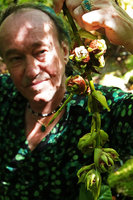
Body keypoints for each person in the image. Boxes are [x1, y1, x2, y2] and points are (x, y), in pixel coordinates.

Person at [0, 2, 133, 200]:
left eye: (41, 51)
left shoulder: (102, 109)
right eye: (16, 58)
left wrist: (131, 37)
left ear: (65, 51)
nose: (31, 70)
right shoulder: (4, 94)